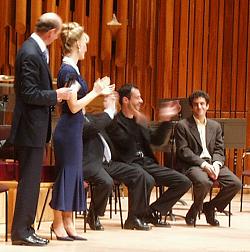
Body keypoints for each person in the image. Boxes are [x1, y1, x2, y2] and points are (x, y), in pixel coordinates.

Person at [9, 13, 72, 246]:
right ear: (51, 32)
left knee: (32, 181)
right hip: (29, 129)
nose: (55, 40)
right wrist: (57, 95)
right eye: (56, 35)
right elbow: (28, 93)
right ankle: (21, 232)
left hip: (34, 129)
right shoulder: (29, 53)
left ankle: (27, 228)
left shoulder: (34, 51)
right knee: (29, 181)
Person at [49, 22, 114, 241]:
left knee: (73, 175)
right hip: (67, 132)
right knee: (66, 176)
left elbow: (79, 106)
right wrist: (96, 92)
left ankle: (68, 221)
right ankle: (58, 223)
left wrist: (98, 91)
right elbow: (74, 106)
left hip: (73, 130)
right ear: (77, 43)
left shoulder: (72, 69)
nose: (87, 47)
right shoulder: (68, 70)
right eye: (85, 43)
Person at [106, 83, 192, 227]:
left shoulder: (139, 121)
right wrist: (139, 119)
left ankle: (151, 212)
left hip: (146, 163)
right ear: (126, 100)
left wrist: (165, 120)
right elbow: (125, 144)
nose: (141, 101)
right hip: (127, 163)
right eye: (137, 98)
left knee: (184, 181)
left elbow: (157, 140)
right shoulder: (114, 121)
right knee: (147, 179)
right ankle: (133, 219)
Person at [83, 93, 153, 231]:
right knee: (106, 182)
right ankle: (93, 214)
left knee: (139, 174)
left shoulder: (102, 120)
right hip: (93, 163)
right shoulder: (85, 121)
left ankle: (134, 218)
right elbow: (91, 128)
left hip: (109, 162)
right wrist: (107, 110)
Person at [174, 90, 242, 226]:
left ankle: (210, 207)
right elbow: (184, 151)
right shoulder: (182, 125)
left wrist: (216, 165)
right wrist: (204, 165)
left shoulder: (215, 126)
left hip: (213, 162)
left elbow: (219, 149)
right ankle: (195, 210)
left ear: (207, 106)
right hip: (193, 164)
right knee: (205, 182)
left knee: (235, 183)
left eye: (202, 104)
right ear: (191, 107)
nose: (199, 107)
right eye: (196, 104)